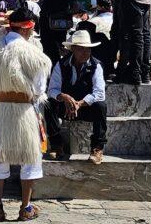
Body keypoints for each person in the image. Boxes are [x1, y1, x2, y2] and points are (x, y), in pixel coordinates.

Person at [0, 7, 52, 222]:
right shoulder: (34, 55)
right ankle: (25, 207)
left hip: (0, 108)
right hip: (24, 110)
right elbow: (38, 90)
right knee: (29, 158)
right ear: (30, 27)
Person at [43, 28, 107, 163]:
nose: (86, 53)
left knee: (101, 106)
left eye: (88, 49)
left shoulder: (96, 66)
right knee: (48, 104)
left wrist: (79, 103)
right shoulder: (61, 65)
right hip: (65, 108)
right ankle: (56, 145)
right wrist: (64, 97)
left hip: (84, 107)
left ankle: (97, 148)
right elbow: (52, 90)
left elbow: (99, 93)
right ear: (73, 49)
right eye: (81, 49)